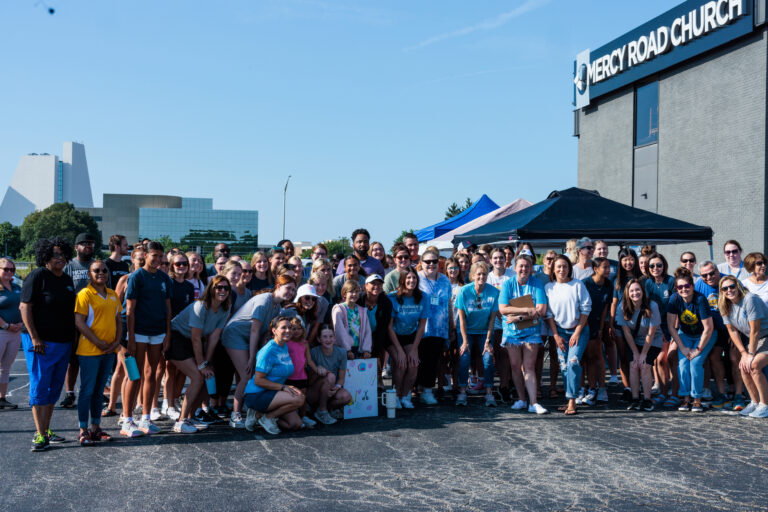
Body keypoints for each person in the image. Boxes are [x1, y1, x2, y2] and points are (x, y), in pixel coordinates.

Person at [20, 237, 77, 451]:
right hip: (40, 342)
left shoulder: (66, 280)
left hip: (63, 342)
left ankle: (46, 428)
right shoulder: (37, 276)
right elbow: (24, 307)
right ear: (45, 256)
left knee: (54, 388)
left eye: (63, 254)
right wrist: (35, 337)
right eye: (55, 254)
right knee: (40, 385)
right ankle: (40, 434)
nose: (60, 258)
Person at [221, 276, 297, 429]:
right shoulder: (264, 301)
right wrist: (251, 358)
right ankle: (235, 415)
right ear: (278, 286)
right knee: (246, 374)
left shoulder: (277, 308)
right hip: (235, 335)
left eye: (293, 289)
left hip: (248, 338)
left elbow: (264, 334)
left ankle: (249, 409)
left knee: (251, 374)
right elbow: (255, 330)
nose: (291, 292)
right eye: (288, 288)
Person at [166, 276, 231, 433]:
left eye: (226, 288)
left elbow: (213, 337)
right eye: (218, 287)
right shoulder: (201, 306)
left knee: (208, 375)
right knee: (197, 376)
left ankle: (190, 416)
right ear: (211, 289)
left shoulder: (225, 308)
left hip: (193, 341)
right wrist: (201, 365)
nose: (222, 291)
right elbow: (196, 338)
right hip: (176, 338)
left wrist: (206, 362)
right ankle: (181, 422)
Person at [122, 241, 172, 436]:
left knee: (151, 375)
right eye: (155, 256)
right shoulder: (136, 277)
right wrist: (131, 337)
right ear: (146, 255)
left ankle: (146, 418)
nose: (158, 260)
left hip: (158, 332)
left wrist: (168, 333)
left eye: (161, 256)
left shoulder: (164, 278)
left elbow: (168, 309)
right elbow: (129, 310)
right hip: (138, 333)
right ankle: (126, 420)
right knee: (135, 375)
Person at [73, 260, 122, 445]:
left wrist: (116, 342)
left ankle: (95, 427)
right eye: (96, 270)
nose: (101, 273)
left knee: (99, 391)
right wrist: (98, 342)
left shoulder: (112, 294)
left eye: (104, 270)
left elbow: (119, 320)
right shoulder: (85, 294)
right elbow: (79, 322)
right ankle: (83, 429)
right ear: (89, 274)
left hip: (109, 350)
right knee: (87, 390)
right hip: (89, 351)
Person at [498, 254, 549, 414]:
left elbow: (541, 309)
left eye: (527, 266)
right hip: (512, 333)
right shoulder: (508, 284)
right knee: (515, 366)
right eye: (521, 266)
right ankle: (521, 399)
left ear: (531, 268)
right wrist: (526, 310)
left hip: (531, 331)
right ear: (515, 267)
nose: (524, 269)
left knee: (529, 366)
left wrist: (517, 317)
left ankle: (533, 402)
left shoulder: (537, 283)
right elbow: (503, 309)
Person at [544, 255, 592, 416]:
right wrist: (555, 335)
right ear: (553, 269)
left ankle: (572, 400)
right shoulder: (549, 287)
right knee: (564, 366)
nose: (562, 270)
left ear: (569, 268)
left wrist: (577, 332)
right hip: (560, 332)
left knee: (573, 362)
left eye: (565, 266)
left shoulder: (577, 285)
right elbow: (549, 315)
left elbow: (586, 309)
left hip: (578, 329)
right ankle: (569, 398)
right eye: (558, 267)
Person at [102, 247, 145, 419]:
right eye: (139, 259)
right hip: (124, 330)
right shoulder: (125, 279)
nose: (142, 262)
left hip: (141, 329)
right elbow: (114, 306)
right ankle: (123, 411)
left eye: (144, 258)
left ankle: (120, 407)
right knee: (131, 372)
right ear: (132, 260)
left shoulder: (150, 280)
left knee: (122, 369)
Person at [243, 316, 305, 435]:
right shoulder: (268, 351)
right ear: (274, 330)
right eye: (284, 328)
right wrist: (283, 388)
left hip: (273, 392)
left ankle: (258, 416)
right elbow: (258, 380)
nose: (288, 330)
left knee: (295, 424)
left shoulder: (284, 346)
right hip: (256, 394)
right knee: (299, 398)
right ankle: (267, 417)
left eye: (290, 327)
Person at [718, 276, 768, 418]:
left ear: (738, 286)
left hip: (765, 336)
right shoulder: (724, 304)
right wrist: (743, 353)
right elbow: (732, 330)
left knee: (754, 365)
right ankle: (755, 402)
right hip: (756, 339)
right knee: (743, 366)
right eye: (725, 288)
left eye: (732, 286)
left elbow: (755, 330)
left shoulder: (749, 299)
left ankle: (765, 405)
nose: (729, 290)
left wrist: (750, 354)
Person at [666, 269, 715, 412]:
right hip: (685, 335)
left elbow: (708, 328)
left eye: (687, 286)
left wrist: (698, 349)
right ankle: (685, 399)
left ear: (692, 286)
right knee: (682, 364)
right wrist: (682, 347)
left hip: (705, 335)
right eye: (680, 287)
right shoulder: (674, 299)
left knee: (695, 362)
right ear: (676, 288)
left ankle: (697, 399)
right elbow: (671, 326)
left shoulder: (700, 299)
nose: (684, 289)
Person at [695, 260, 740, 409]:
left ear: (717, 271)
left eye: (711, 273)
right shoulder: (699, 285)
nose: (709, 277)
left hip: (733, 326)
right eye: (704, 275)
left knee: (734, 358)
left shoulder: (729, 282)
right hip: (713, 329)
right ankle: (722, 394)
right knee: (714, 358)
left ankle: (739, 394)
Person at [60, 232, 97, 409]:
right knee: (73, 360)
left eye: (91, 243)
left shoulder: (97, 266)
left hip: (94, 319)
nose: (89, 246)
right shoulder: (69, 265)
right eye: (85, 243)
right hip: (74, 318)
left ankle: (91, 391)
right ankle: (69, 393)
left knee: (92, 358)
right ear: (76, 247)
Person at [454, 262, 498, 407]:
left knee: (488, 358)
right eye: (478, 274)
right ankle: (462, 390)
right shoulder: (464, 291)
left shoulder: (493, 292)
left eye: (484, 274)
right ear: (473, 276)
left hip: (484, 331)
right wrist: (465, 342)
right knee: (464, 356)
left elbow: (492, 320)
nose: (481, 277)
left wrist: (488, 341)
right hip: (467, 330)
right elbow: (461, 319)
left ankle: (489, 391)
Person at [617, 279, 663, 411]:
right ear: (627, 293)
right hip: (634, 341)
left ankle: (647, 399)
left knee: (644, 365)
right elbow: (626, 332)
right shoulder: (623, 307)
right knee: (633, 364)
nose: (635, 293)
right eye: (632, 290)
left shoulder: (652, 305)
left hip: (653, 341)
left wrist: (643, 354)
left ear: (643, 291)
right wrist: (636, 353)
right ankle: (635, 398)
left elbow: (652, 332)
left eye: (638, 290)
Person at [388, 268, 428, 408]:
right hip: (393, 336)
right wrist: (399, 351)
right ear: (402, 280)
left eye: (414, 278)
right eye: (408, 278)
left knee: (413, 364)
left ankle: (406, 395)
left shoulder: (423, 297)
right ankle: (396, 395)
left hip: (410, 335)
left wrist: (413, 349)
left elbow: (422, 326)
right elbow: (389, 327)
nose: (412, 281)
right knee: (401, 363)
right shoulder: (393, 297)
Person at [417, 249, 452, 405]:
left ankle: (427, 390)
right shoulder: (416, 279)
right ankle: (417, 389)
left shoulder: (445, 280)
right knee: (421, 360)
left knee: (433, 360)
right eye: (427, 262)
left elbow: (449, 305)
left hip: (439, 328)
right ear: (421, 263)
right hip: (421, 328)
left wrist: (451, 327)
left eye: (434, 261)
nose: (431, 264)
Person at [644, 253, 679, 408]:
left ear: (664, 265)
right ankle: (663, 393)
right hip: (656, 327)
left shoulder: (671, 281)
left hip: (672, 326)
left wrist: (674, 332)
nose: (655, 268)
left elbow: (677, 306)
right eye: (652, 266)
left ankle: (676, 394)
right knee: (659, 360)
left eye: (659, 265)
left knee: (670, 359)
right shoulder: (648, 283)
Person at [357, 274, 404, 388]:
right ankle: (369, 381)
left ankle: (394, 389)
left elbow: (384, 327)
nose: (376, 286)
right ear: (366, 286)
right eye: (373, 284)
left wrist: (376, 346)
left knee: (395, 356)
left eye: (379, 284)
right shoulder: (359, 299)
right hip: (361, 335)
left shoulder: (385, 301)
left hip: (381, 334)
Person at [608, 248, 642, 397]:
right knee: (624, 356)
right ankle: (628, 386)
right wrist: (610, 323)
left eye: (631, 259)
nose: (628, 262)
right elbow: (614, 303)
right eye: (624, 259)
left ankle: (640, 384)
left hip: (639, 323)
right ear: (620, 261)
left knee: (638, 355)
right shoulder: (617, 280)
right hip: (620, 323)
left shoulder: (642, 278)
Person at [581, 257, 613, 406]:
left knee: (595, 357)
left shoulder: (608, 284)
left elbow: (606, 308)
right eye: (605, 267)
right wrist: (585, 327)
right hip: (584, 323)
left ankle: (595, 388)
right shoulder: (586, 284)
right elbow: (581, 307)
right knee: (584, 357)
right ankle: (582, 389)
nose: (608, 270)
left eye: (609, 267)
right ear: (595, 269)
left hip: (597, 325)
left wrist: (600, 328)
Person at [308, 324, 353, 424]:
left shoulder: (341, 352)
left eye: (331, 336)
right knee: (330, 376)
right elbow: (309, 381)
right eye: (324, 337)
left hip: (330, 389)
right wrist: (316, 370)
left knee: (346, 396)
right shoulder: (313, 352)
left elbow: (341, 378)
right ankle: (322, 411)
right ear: (319, 339)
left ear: (335, 338)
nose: (328, 339)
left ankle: (324, 409)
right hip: (315, 390)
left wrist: (335, 389)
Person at [486, 248, 513, 402]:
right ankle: (503, 386)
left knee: (513, 356)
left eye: (501, 257)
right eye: (495, 258)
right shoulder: (488, 277)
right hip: (495, 323)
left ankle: (509, 384)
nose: (498, 260)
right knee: (501, 355)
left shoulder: (512, 275)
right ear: (491, 260)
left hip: (513, 321)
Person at [284, 317, 321, 428]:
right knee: (291, 398)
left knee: (303, 397)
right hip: (289, 377)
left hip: (301, 376)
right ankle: (293, 415)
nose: (296, 331)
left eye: (299, 328)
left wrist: (317, 370)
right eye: (293, 329)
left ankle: (303, 416)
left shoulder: (305, 343)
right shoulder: (286, 343)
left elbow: (309, 360)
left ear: (303, 330)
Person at [0, 258, 22, 409]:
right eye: (6, 269)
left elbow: (22, 306)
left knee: (6, 367)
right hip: (2, 331)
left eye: (12, 270)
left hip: (15, 332)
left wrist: (21, 323)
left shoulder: (16, 286)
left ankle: (2, 398)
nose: (9, 272)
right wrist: (6, 325)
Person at [331, 281, 372, 359]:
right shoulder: (339, 309)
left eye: (356, 291)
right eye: (351, 291)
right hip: (343, 349)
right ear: (344, 293)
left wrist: (366, 350)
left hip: (358, 349)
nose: (354, 294)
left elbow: (367, 331)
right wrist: (347, 350)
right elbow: (339, 331)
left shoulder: (362, 311)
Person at [292, 283, 325, 350]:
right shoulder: (291, 312)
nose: (310, 301)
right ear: (300, 298)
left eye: (314, 299)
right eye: (307, 297)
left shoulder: (307, 314)